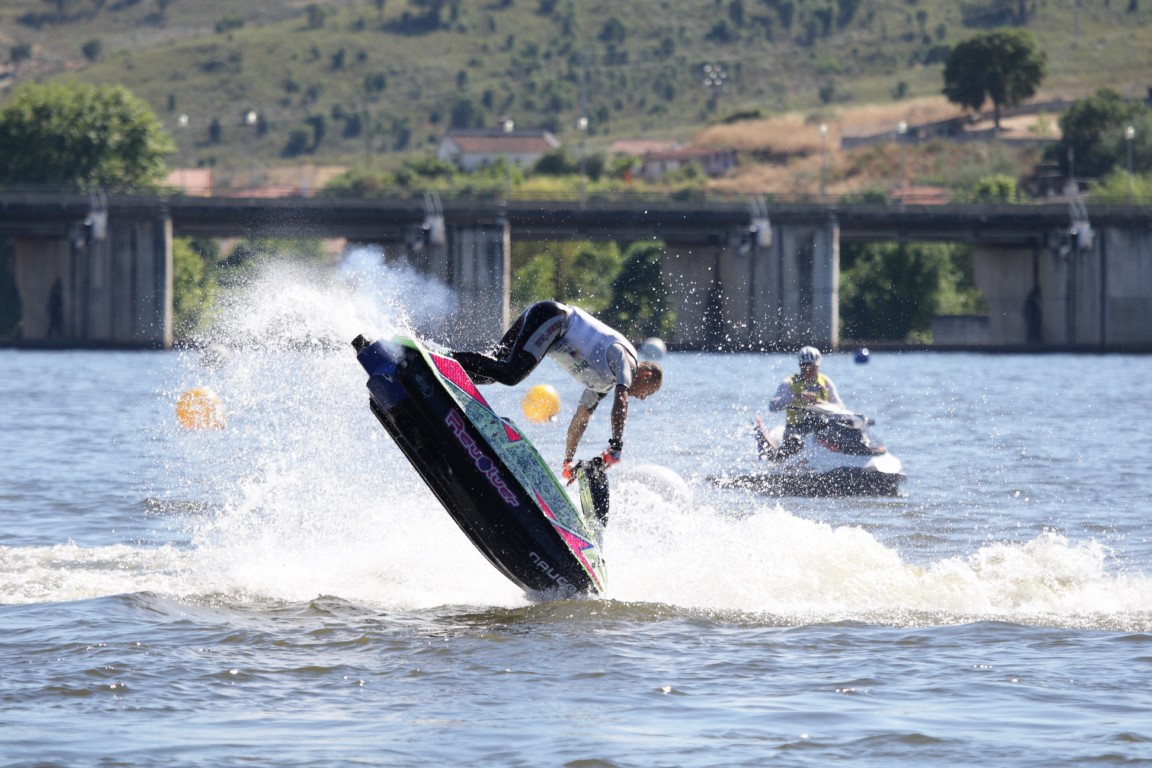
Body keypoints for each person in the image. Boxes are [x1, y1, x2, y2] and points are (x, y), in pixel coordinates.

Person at [453, 301, 663, 481]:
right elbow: (622, 399)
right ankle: (445, 355)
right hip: (553, 317)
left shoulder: (602, 384)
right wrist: (616, 444)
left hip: (545, 320)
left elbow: (580, 419)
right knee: (510, 374)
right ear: (646, 376)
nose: (643, 398)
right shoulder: (627, 359)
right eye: (649, 392)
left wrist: (568, 460)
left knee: (492, 373)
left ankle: (445, 367)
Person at [766, 346, 846, 458]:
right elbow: (772, 406)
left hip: (821, 429)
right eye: (804, 367)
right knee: (796, 441)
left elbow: (840, 407)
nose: (808, 370)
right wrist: (795, 397)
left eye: (812, 367)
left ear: (817, 366)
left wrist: (821, 403)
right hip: (795, 429)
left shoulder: (825, 382)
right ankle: (784, 460)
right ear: (800, 365)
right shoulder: (789, 383)